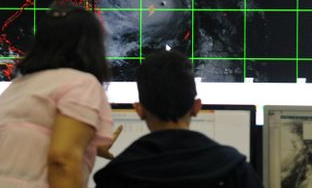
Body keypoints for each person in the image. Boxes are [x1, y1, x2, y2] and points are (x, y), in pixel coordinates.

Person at [0, 3, 117, 188]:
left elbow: (24, 145)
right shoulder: (83, 83)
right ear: (92, 45)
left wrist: (88, 142)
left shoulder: (17, 87)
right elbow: (62, 160)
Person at [94, 50, 264, 188]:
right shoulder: (234, 168)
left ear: (139, 110)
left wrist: (86, 153)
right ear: (197, 107)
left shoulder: (117, 174)